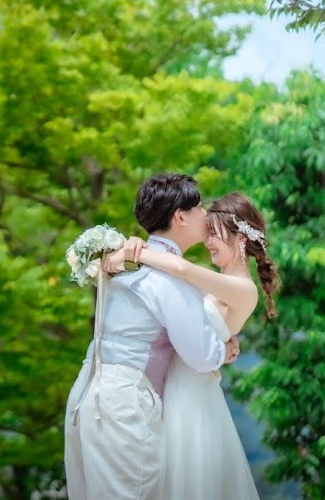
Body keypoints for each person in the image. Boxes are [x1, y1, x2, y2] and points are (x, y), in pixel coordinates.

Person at [64, 173, 234, 500]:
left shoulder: (126, 269)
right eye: (199, 207)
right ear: (180, 217)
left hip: (87, 394)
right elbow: (201, 356)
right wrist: (224, 349)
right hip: (124, 405)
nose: (205, 215)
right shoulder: (169, 279)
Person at [107, 191, 280, 499]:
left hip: (194, 396)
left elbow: (182, 270)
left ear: (241, 238)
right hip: (169, 390)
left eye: (215, 234)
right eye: (207, 232)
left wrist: (134, 251)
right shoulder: (212, 281)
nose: (208, 241)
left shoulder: (244, 289)